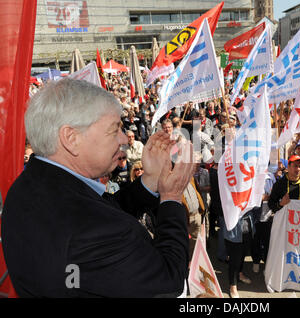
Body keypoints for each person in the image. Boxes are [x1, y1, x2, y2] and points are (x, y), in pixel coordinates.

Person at [1, 78, 196, 297]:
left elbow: (103, 210)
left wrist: (149, 181)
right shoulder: (94, 231)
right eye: (114, 130)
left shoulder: (30, 185)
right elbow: (169, 279)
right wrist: (170, 198)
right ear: (71, 138)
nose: (123, 138)